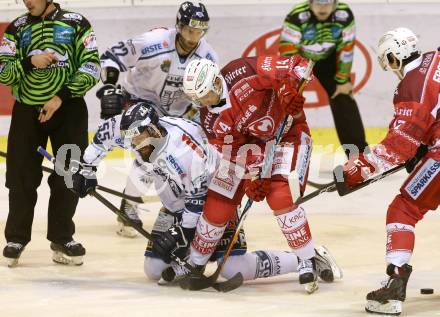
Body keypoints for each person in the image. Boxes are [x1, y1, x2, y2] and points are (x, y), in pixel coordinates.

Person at [71, 102, 340, 286]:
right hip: (176, 206)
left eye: (137, 140)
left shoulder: (188, 150)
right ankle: (189, 256)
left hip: (214, 202)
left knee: (235, 269)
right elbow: (102, 138)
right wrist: (86, 168)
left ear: (153, 131)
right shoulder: (132, 130)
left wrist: (180, 233)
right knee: (153, 271)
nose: (132, 146)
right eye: (130, 140)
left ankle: (308, 258)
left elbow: (199, 202)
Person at [175, 55, 328, 293]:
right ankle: (195, 262)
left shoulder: (242, 71)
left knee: (280, 197)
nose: (203, 102)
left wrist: (288, 91)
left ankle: (308, 259)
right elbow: (234, 151)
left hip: (288, 136)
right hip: (251, 150)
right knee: (218, 202)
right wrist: (255, 175)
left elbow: (298, 65)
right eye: (196, 98)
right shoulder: (209, 117)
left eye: (204, 94)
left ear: (216, 82)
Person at [338, 28, 439, 315]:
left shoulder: (410, 85)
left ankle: (395, 283)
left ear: (394, 57)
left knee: (403, 210)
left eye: (387, 62)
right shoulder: (434, 59)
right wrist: (423, 146)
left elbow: (397, 146)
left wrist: (355, 171)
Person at [97, 1, 219, 237]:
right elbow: (112, 57)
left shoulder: (208, 56)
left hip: (178, 112)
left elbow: (209, 93)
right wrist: (111, 86)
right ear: (179, 25)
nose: (194, 37)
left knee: (181, 160)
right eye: (189, 30)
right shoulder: (154, 41)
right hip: (140, 101)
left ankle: (176, 209)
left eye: (200, 31)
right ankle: (129, 205)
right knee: (150, 155)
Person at [0, 0, 100, 267]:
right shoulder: (17, 28)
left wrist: (60, 97)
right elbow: (4, 72)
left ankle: (62, 236)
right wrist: (29, 61)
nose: (27, 1)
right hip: (27, 110)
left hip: (68, 108)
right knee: (20, 174)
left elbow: (92, 66)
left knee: (69, 174)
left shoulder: (77, 23)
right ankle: (16, 238)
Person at [279, 0, 367, 157]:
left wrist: (342, 80)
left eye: (327, 3)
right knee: (285, 99)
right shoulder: (296, 15)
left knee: (343, 96)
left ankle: (360, 155)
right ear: (310, 3)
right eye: (318, 3)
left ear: (335, 3)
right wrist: (289, 85)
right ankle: (275, 150)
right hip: (300, 59)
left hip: (329, 59)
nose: (322, 8)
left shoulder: (344, 14)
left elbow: (346, 48)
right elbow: (287, 52)